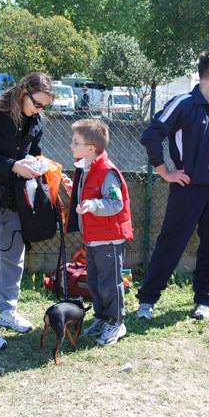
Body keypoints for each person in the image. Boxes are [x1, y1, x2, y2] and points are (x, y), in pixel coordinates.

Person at [136, 49, 209, 321]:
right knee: (170, 243)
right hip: (187, 189)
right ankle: (148, 301)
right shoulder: (183, 104)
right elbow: (152, 136)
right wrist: (165, 172)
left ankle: (203, 301)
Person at [0, 72, 54, 350]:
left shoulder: (37, 121)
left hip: (17, 195)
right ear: (24, 92)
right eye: (38, 104)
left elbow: (35, 153)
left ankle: (6, 311)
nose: (40, 111)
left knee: (15, 255)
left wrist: (44, 168)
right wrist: (13, 165)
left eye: (44, 107)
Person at [61, 118, 133, 346]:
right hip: (93, 238)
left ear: (90, 148)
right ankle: (103, 318)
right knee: (94, 282)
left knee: (110, 282)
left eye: (75, 142)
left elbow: (114, 202)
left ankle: (117, 322)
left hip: (109, 240)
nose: (71, 146)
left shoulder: (106, 171)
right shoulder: (86, 168)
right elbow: (90, 192)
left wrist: (92, 205)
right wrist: (73, 189)